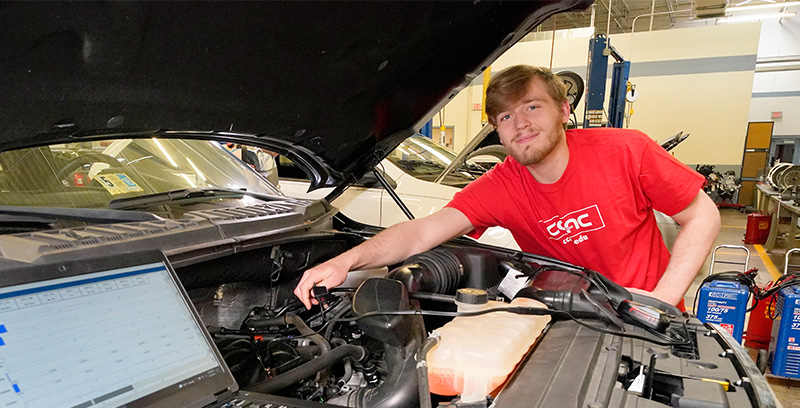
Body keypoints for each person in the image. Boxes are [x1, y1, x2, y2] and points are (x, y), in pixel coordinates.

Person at [295, 65, 720, 310]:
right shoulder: (501, 186)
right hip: (573, 315)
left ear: (563, 110)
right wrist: (346, 262)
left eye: (532, 107)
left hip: (646, 313)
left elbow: (702, 214)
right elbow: (422, 232)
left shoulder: (626, 151)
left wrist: (662, 298)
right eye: (505, 117)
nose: (520, 125)